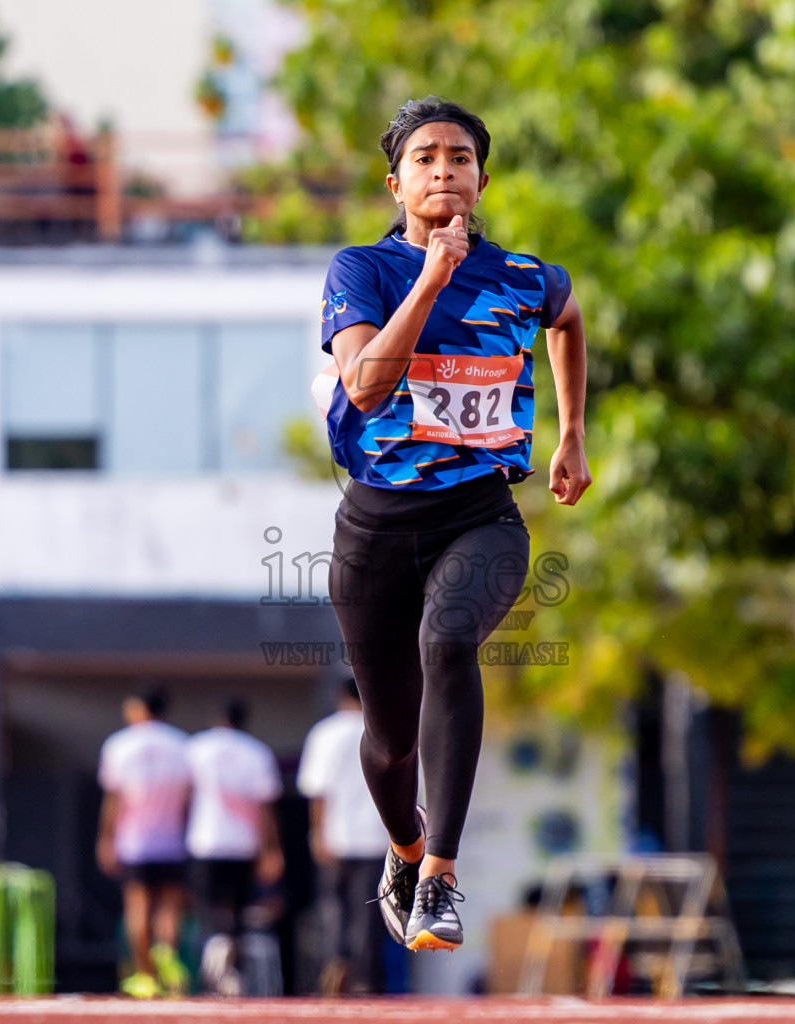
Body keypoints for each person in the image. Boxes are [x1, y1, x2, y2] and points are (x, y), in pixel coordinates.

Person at [315, 96, 590, 952]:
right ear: (396, 183)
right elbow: (362, 385)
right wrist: (431, 277)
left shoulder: (522, 275)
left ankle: (440, 874)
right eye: (428, 158)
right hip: (375, 528)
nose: (446, 171)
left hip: (482, 515)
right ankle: (403, 848)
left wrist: (573, 431)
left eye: (462, 158)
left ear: (481, 177)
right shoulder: (361, 269)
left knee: (449, 642)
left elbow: (569, 318)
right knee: (389, 738)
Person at [96, 687, 191, 999]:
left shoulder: (119, 745)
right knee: (169, 907)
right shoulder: (181, 744)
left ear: (137, 708)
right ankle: (166, 955)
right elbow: (189, 797)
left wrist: (106, 838)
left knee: (137, 907)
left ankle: (145, 973)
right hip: (171, 840)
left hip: (134, 841)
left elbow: (113, 799)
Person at [184, 700, 284, 994]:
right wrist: (272, 849)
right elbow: (266, 808)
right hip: (243, 843)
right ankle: (232, 970)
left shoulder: (197, 748)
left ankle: (211, 973)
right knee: (238, 913)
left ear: (217, 718)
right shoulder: (256, 752)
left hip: (205, 841)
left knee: (206, 910)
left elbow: (184, 797)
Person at [298, 679, 390, 994]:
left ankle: (336, 965)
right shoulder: (385, 730)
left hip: (335, 836)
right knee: (368, 914)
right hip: (376, 837)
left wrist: (316, 833)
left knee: (332, 908)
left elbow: (317, 790)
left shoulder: (325, 733)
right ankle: (366, 979)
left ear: (341, 696)